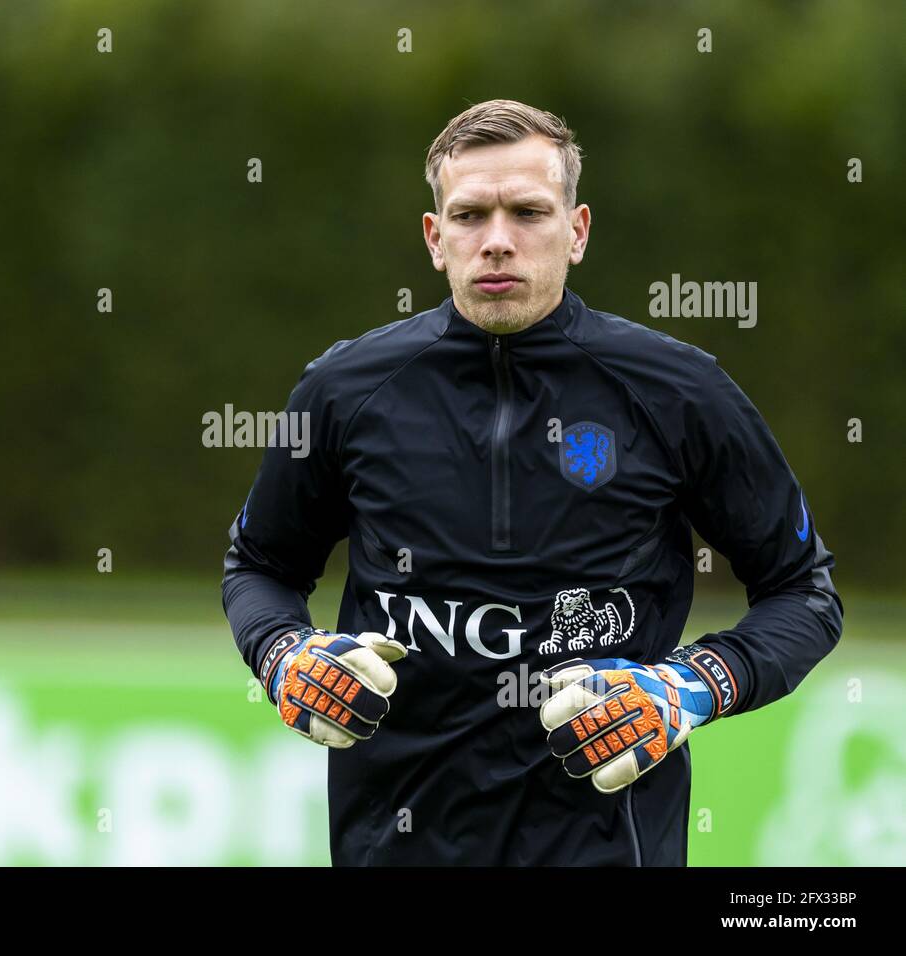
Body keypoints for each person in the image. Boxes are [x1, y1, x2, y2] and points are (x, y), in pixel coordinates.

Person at [221, 98, 843, 865]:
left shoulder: (680, 390)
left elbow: (803, 592)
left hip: (609, 849)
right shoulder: (344, 391)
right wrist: (284, 652)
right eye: (470, 215)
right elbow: (260, 566)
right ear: (434, 237)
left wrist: (691, 688)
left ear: (577, 231)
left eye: (528, 212)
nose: (498, 242)